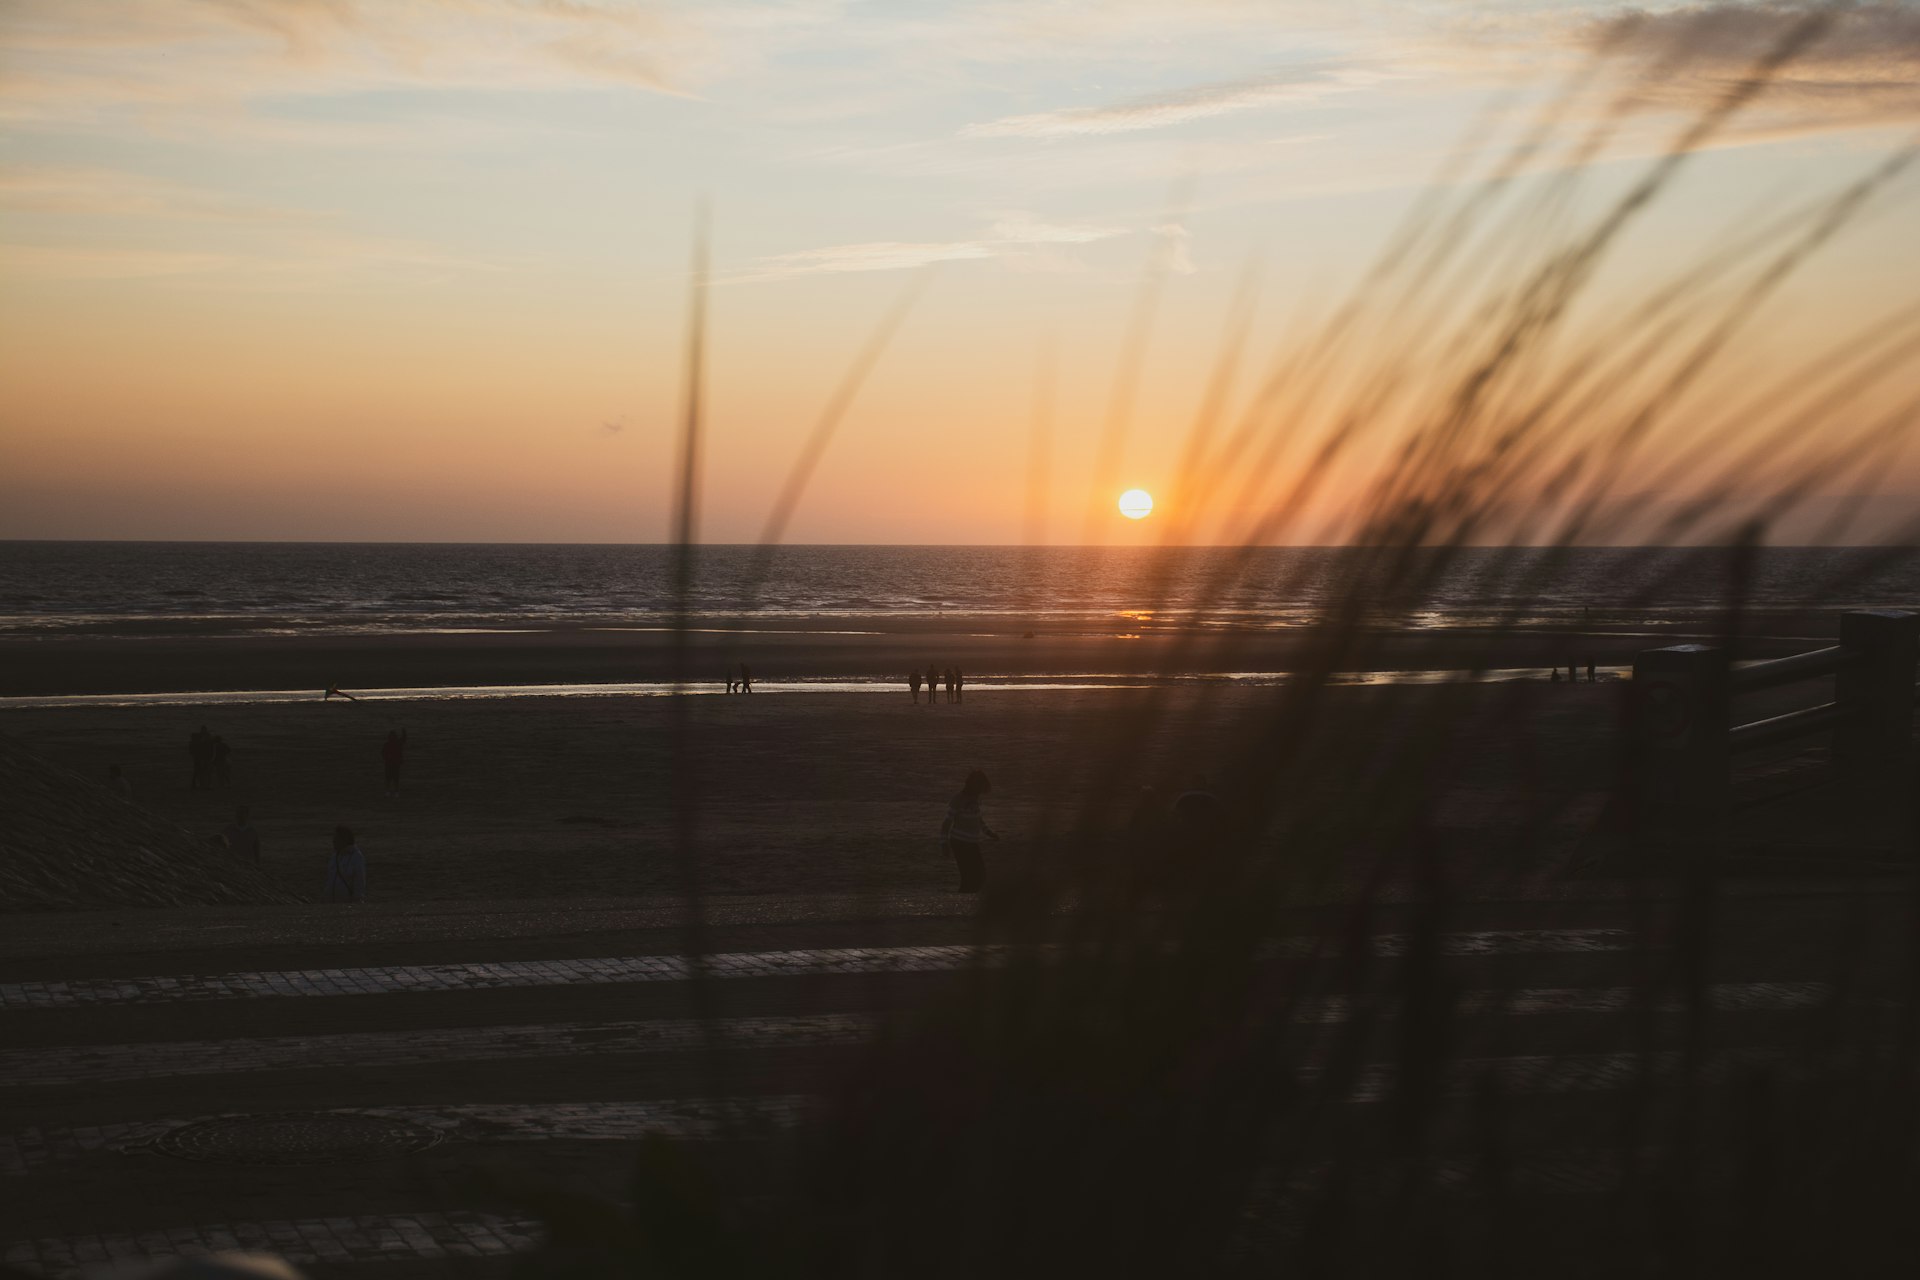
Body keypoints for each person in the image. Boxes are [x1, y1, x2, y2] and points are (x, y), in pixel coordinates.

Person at [941, 769, 1000, 892]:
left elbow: (978, 820)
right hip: (959, 843)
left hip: (972, 843)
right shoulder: (958, 799)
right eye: (980, 788)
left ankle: (966, 902)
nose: (980, 792)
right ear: (973, 785)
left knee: (980, 876)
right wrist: (944, 843)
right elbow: (946, 823)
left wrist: (989, 833)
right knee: (968, 876)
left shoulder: (976, 799)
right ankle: (962, 904)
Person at [325, 826, 367, 903]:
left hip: (347, 904)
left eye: (336, 839)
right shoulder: (335, 856)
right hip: (331, 903)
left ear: (344, 840)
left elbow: (359, 881)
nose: (333, 841)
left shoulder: (356, 857)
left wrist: (356, 901)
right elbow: (329, 879)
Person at [381, 728, 407, 797]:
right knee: (389, 778)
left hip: (395, 763)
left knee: (395, 779)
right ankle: (389, 791)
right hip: (390, 763)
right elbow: (383, 753)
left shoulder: (396, 743)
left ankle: (395, 791)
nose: (392, 737)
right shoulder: (388, 744)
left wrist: (404, 732)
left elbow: (404, 739)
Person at [188, 726, 213, 791]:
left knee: (201, 771)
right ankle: (201, 784)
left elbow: (192, 751)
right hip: (201, 757)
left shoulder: (198, 740)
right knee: (201, 770)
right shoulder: (203, 740)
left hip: (202, 757)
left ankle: (200, 784)